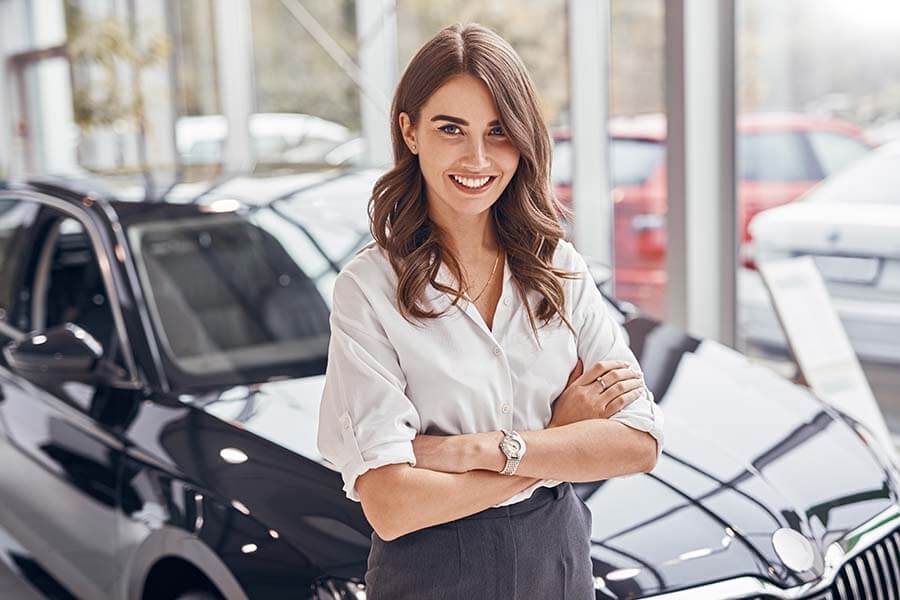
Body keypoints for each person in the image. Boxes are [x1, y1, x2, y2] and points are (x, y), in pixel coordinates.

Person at [316, 22, 664, 600]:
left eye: (499, 132)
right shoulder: (369, 287)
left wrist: (474, 450)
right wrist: (556, 438)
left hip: (558, 561)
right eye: (451, 129)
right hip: (434, 574)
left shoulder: (558, 265)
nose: (477, 157)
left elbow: (637, 444)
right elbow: (393, 506)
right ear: (410, 131)